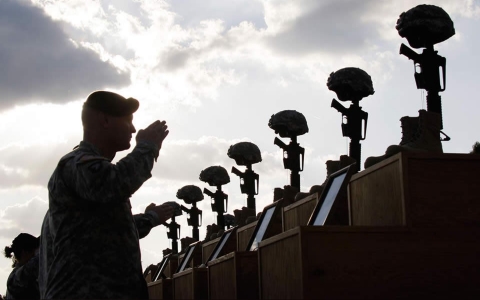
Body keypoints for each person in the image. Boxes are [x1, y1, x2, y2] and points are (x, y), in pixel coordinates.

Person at [39, 91, 175, 299]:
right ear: (105, 120)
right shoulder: (77, 163)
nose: (133, 129)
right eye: (128, 120)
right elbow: (113, 184)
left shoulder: (93, 168)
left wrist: (151, 218)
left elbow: (105, 233)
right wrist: (147, 147)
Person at [3, 233, 40, 299]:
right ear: (25, 252)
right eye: (35, 250)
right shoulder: (14, 278)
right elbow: (36, 262)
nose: (36, 253)